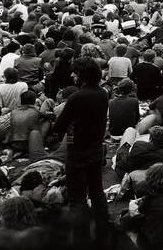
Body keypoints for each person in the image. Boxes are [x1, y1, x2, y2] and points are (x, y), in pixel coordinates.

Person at [52, 56, 109, 246]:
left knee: (77, 198)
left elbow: (59, 127)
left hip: (78, 152)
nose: (72, 75)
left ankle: (81, 238)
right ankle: (103, 230)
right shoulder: (102, 93)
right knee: (97, 192)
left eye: (75, 72)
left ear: (82, 75)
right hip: (96, 149)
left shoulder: (77, 97)